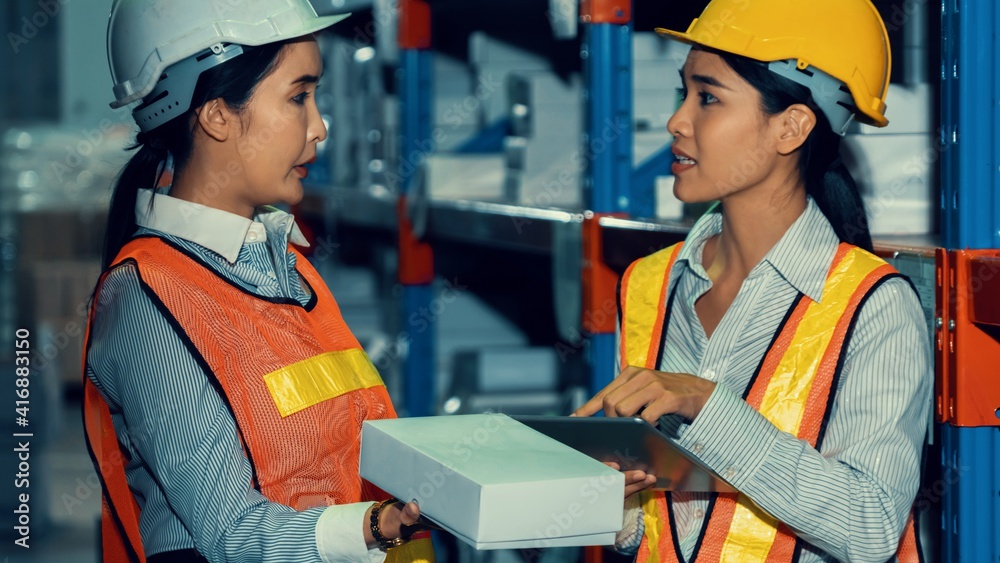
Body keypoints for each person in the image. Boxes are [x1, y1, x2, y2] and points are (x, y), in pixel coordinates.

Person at [573, 1, 931, 561]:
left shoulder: (873, 305)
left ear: (791, 126)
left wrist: (709, 406)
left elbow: (871, 526)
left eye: (708, 97)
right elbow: (662, 528)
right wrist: (606, 496)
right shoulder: (649, 283)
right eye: (683, 92)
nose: (677, 120)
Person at [83, 1, 435, 561]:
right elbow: (232, 533)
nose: (319, 126)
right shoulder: (149, 300)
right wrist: (376, 526)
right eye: (299, 96)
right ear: (216, 113)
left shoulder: (288, 267)